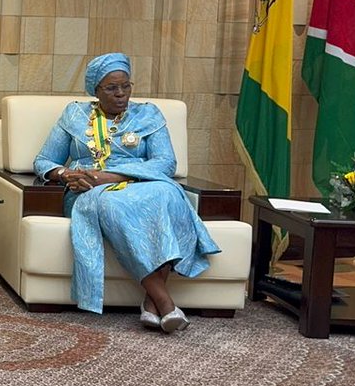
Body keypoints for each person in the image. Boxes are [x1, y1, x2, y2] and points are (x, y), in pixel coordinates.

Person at [33, 53, 221, 333]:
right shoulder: (74, 115)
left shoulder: (148, 114)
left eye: (126, 86)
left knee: (168, 196)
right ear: (95, 90)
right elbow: (44, 161)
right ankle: (163, 302)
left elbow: (166, 163)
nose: (121, 94)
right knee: (112, 205)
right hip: (90, 191)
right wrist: (65, 174)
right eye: (111, 88)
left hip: (142, 184)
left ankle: (151, 303)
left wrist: (113, 175)